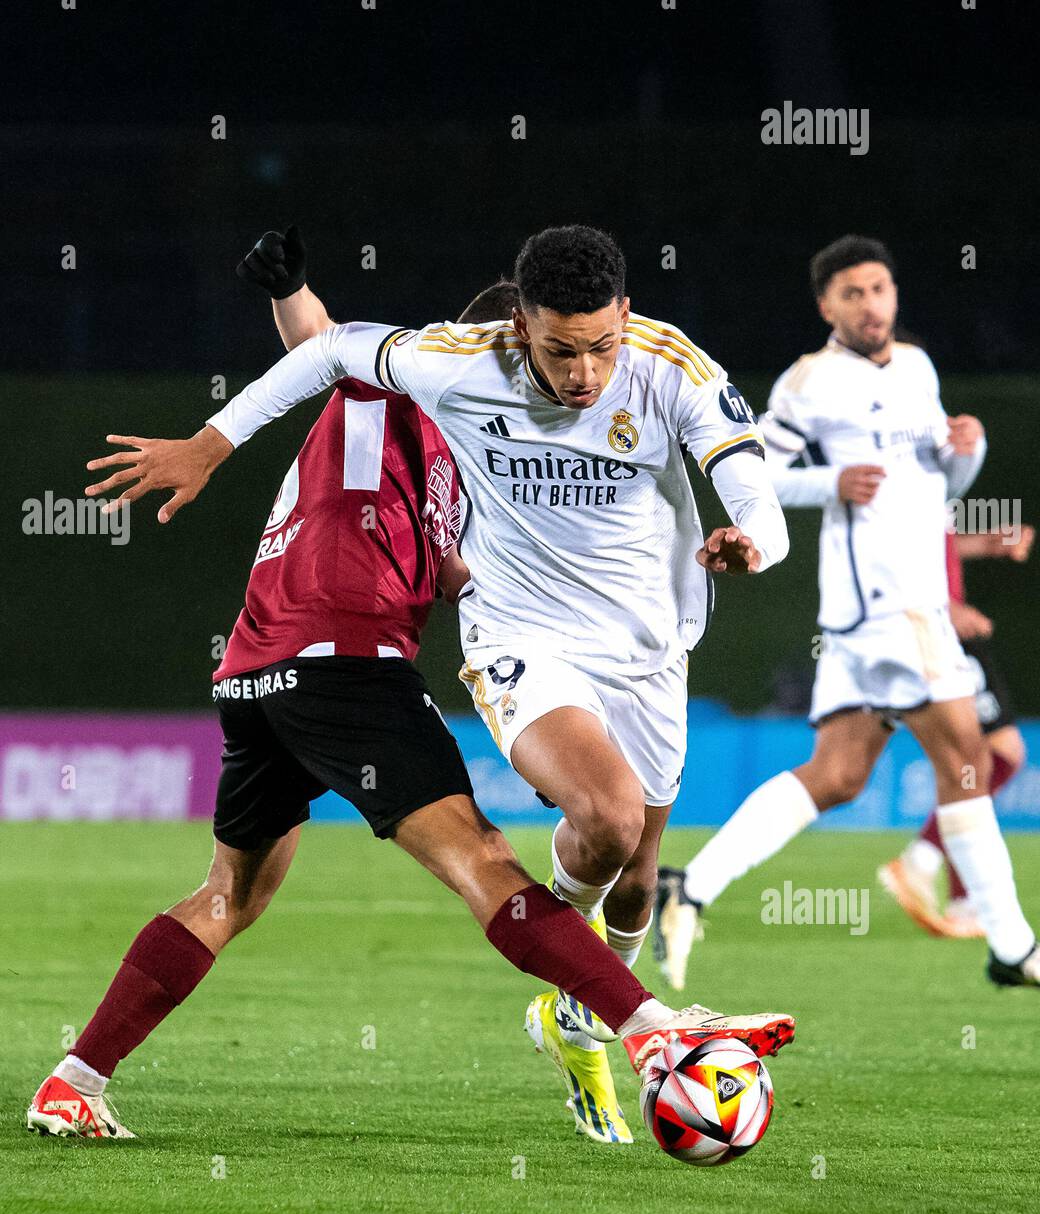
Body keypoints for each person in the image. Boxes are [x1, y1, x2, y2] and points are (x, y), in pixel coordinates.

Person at [29, 235, 793, 1143]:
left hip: (255, 664)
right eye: (548, 356)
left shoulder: (450, 446)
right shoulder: (437, 391)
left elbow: (328, 358)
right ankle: (650, 1029)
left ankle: (74, 1079)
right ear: (503, 346)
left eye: (593, 352)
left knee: (230, 895)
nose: (571, 377)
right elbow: (327, 347)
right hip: (343, 659)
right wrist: (214, 436)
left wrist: (291, 292)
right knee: (484, 862)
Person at [655, 235, 1038, 992]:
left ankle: (688, 886)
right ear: (827, 305)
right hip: (887, 607)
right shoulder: (811, 381)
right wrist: (830, 481)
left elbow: (940, 492)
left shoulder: (919, 369)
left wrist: (970, 451)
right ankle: (1014, 945)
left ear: (895, 296)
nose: (871, 304)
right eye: (853, 293)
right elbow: (752, 473)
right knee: (970, 754)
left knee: (836, 775)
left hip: (893, 606)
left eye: (880, 289)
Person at [880, 522, 1034, 937]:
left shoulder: (933, 477)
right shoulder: (913, 467)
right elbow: (887, 545)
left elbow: (935, 543)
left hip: (932, 626)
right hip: (933, 629)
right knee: (999, 755)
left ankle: (965, 900)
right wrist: (946, 606)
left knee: (972, 764)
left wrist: (987, 544)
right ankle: (923, 858)